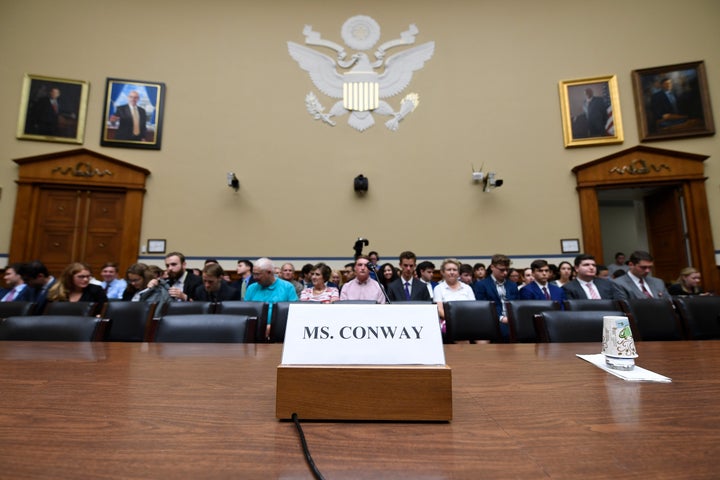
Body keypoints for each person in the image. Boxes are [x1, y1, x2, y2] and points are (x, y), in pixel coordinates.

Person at [244, 258, 298, 337]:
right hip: (254, 333)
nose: (254, 277)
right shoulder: (251, 288)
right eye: (254, 274)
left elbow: (293, 315)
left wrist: (272, 327)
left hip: (281, 334)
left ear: (269, 272)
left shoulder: (287, 287)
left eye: (258, 274)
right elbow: (245, 312)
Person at [473, 254, 519, 340]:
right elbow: (482, 308)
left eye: (507, 270)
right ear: (492, 267)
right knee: (506, 332)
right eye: (502, 270)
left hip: (512, 318)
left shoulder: (512, 285)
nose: (505, 273)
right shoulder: (482, 285)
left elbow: (517, 304)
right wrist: (501, 318)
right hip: (494, 320)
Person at [433, 258, 475, 331]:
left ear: (458, 273)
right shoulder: (438, 288)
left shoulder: (467, 288)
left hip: (468, 320)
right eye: (449, 270)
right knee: (461, 336)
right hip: (448, 322)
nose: (452, 272)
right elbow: (440, 310)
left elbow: (474, 308)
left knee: (483, 337)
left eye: (454, 270)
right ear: (442, 272)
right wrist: (455, 320)